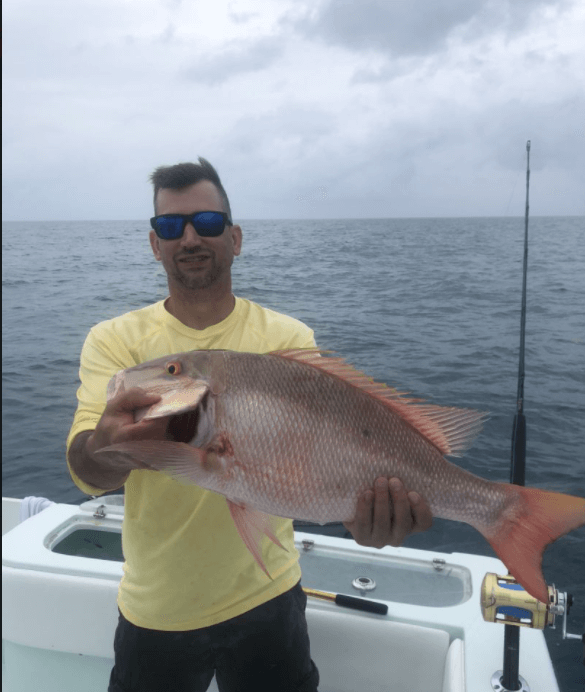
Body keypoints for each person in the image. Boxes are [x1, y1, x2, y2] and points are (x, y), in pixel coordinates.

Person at [66, 158, 433, 692]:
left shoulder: (288, 337)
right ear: (154, 244)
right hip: (157, 608)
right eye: (171, 227)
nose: (190, 237)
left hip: (271, 595)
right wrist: (110, 445)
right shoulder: (114, 343)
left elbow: (316, 464)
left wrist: (364, 514)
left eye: (208, 223)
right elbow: (87, 471)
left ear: (234, 237)